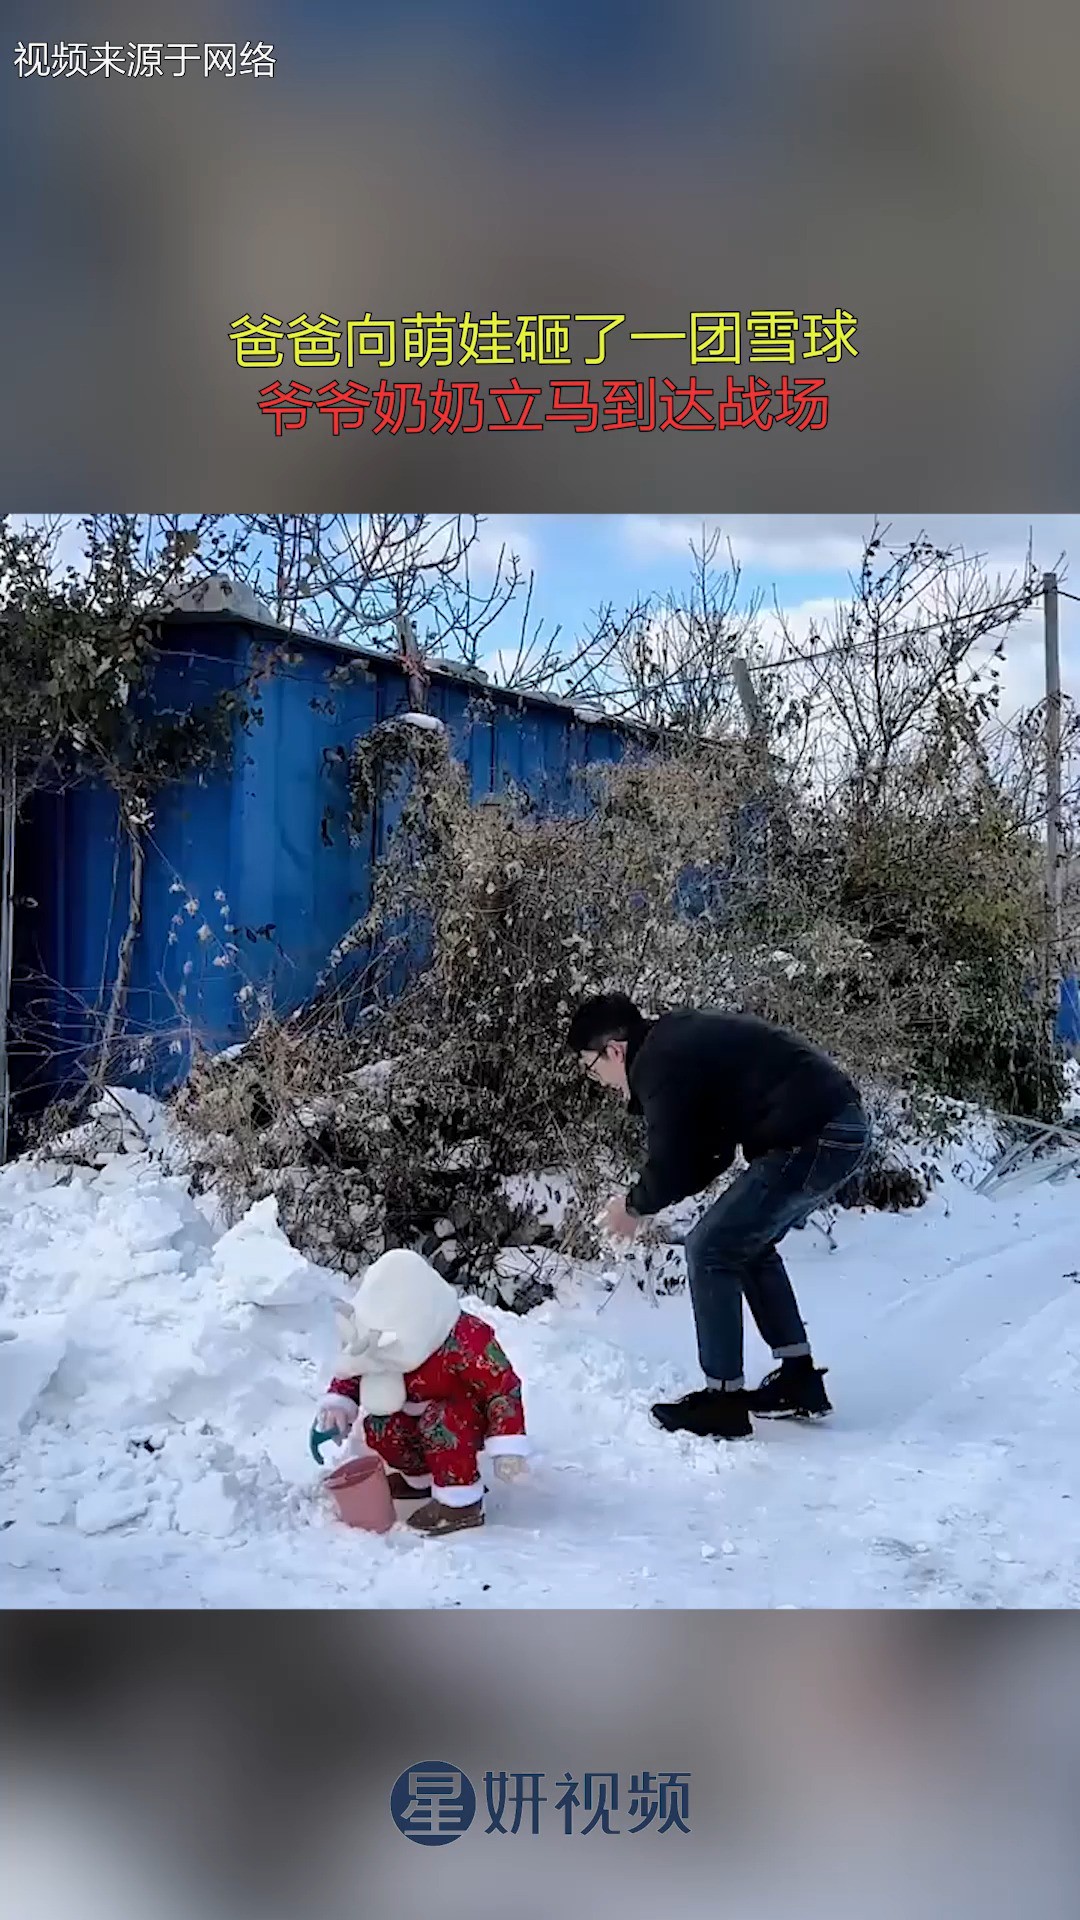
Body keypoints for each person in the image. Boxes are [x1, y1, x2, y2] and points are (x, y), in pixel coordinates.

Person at [567, 993, 869, 1441]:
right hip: (839, 1129)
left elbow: (678, 1160)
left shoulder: (657, 1062)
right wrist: (649, 1200)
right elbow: (709, 1154)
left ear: (614, 1049)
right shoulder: (674, 1043)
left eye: (593, 1068)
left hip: (812, 1134)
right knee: (744, 1244)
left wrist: (633, 1206)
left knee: (708, 1248)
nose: (602, 1082)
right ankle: (797, 1380)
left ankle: (723, 1402)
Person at [312, 1248, 529, 1536]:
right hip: (412, 1410)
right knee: (381, 1424)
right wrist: (340, 1403)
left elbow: (501, 1387)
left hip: (462, 1416)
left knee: (442, 1421)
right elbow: (362, 1363)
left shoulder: (464, 1336)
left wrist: (508, 1442)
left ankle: (460, 1502)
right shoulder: (381, 1326)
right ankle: (421, 1479)